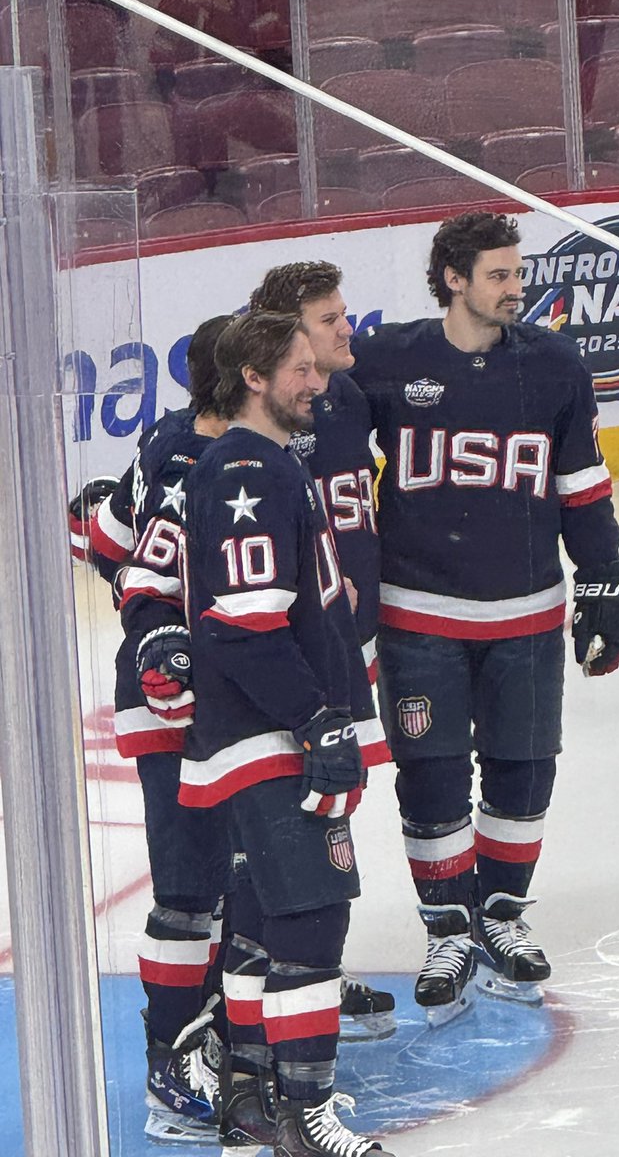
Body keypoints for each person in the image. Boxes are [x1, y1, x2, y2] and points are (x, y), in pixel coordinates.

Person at [350, 211, 619, 1021]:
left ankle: (502, 914)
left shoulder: (553, 364)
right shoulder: (386, 360)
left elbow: (582, 482)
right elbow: (321, 441)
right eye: (500, 275)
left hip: (528, 613)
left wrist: (605, 577)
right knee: (432, 774)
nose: (517, 289)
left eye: (518, 273)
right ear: (454, 280)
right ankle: (448, 926)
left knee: (524, 767)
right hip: (418, 615)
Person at [180, 310, 393, 1157]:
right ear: (254, 379)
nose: (319, 382)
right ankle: (306, 1115)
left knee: (264, 918)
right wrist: (315, 719)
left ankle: (250, 1097)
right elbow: (243, 624)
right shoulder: (249, 469)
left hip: (258, 733)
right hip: (270, 736)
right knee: (310, 914)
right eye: (300, 369)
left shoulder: (265, 463)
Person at [69, 316, 233, 1143]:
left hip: (212, 695)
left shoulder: (173, 435)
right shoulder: (198, 460)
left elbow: (101, 539)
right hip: (174, 696)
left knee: (231, 879)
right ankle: (172, 1063)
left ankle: (219, 1034)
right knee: (192, 887)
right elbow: (137, 567)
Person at [248, 261, 394, 1040]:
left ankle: (310, 968)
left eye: (345, 314)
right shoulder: (259, 426)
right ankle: (277, 977)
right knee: (285, 812)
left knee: (332, 805)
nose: (347, 328)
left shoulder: (349, 398)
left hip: (350, 643)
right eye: (329, 320)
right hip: (294, 655)